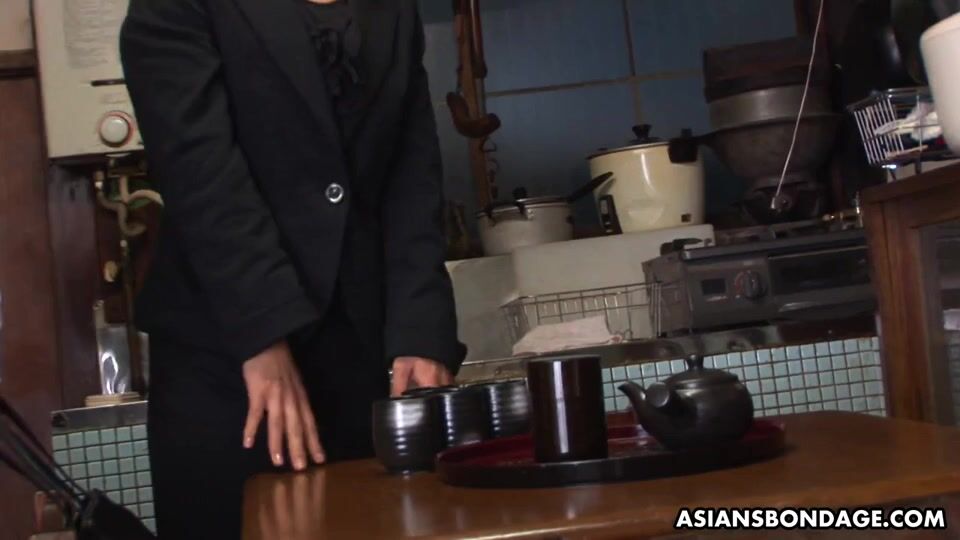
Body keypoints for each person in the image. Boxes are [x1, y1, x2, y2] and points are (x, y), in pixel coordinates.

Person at [119, 0, 466, 537]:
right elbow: (199, 172)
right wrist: (263, 334)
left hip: (363, 367)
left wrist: (420, 329)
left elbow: (412, 170)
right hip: (228, 363)